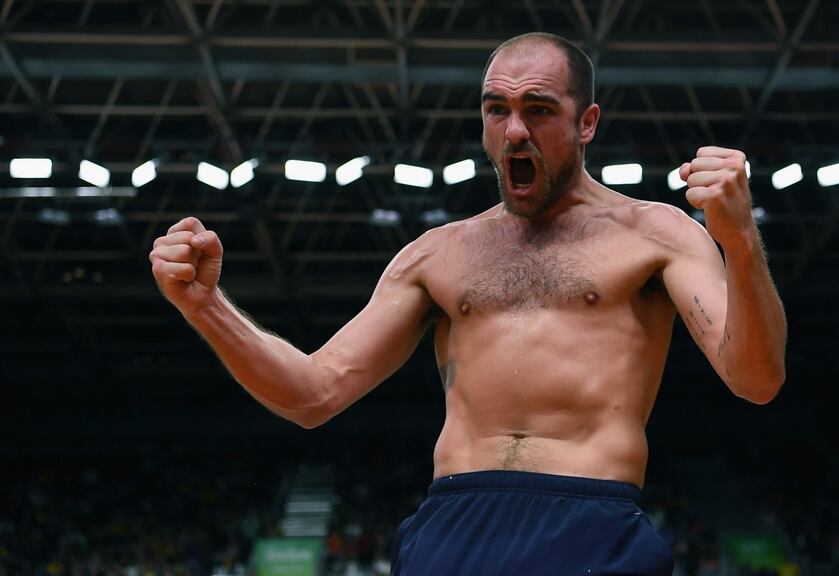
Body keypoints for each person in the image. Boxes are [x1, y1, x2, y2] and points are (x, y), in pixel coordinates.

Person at [150, 32, 787, 575]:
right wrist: (207, 307)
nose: (515, 130)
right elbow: (312, 394)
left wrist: (739, 241)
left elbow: (756, 379)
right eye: (496, 109)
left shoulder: (656, 234)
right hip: (452, 527)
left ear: (587, 123)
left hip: (589, 522)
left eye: (539, 109)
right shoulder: (436, 255)